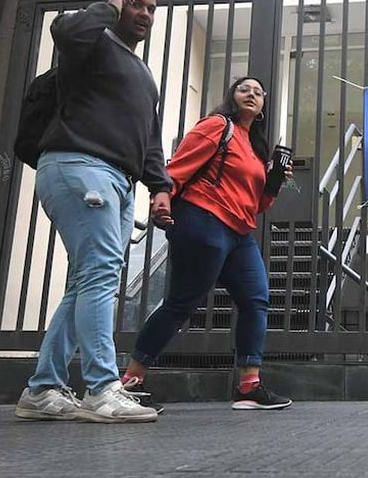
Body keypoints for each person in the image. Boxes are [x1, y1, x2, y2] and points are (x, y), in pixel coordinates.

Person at [14, 0, 171, 423]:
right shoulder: (90, 42)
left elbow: (149, 137)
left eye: (150, 9)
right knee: (99, 276)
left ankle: (42, 389)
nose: (143, 13)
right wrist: (106, 7)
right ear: (116, 5)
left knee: (86, 282)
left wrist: (160, 186)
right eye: (134, 4)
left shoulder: (141, 73)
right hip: (80, 166)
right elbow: (66, 32)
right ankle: (102, 389)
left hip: (119, 180)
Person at [122, 76, 293, 411]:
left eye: (258, 92)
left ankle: (248, 386)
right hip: (205, 220)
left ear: (262, 107)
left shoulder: (254, 147)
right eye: (245, 89)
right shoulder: (218, 126)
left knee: (256, 299)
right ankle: (131, 379)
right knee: (181, 304)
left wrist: (272, 184)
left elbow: (256, 205)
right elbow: (179, 166)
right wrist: (163, 198)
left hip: (240, 233)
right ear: (232, 96)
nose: (252, 95)